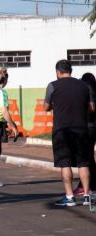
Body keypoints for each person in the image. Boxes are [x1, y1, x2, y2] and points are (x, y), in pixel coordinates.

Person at [44, 60, 94, 207]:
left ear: (57, 72)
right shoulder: (84, 85)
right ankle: (86, 196)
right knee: (83, 163)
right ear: (70, 70)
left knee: (65, 163)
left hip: (62, 130)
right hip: (81, 129)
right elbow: (91, 107)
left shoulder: (53, 85)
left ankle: (70, 197)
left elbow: (46, 107)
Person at [73, 72, 96, 195]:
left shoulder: (88, 88)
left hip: (87, 126)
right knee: (89, 156)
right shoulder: (93, 87)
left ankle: (87, 185)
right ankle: (87, 184)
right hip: (92, 126)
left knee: (85, 158)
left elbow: (92, 107)